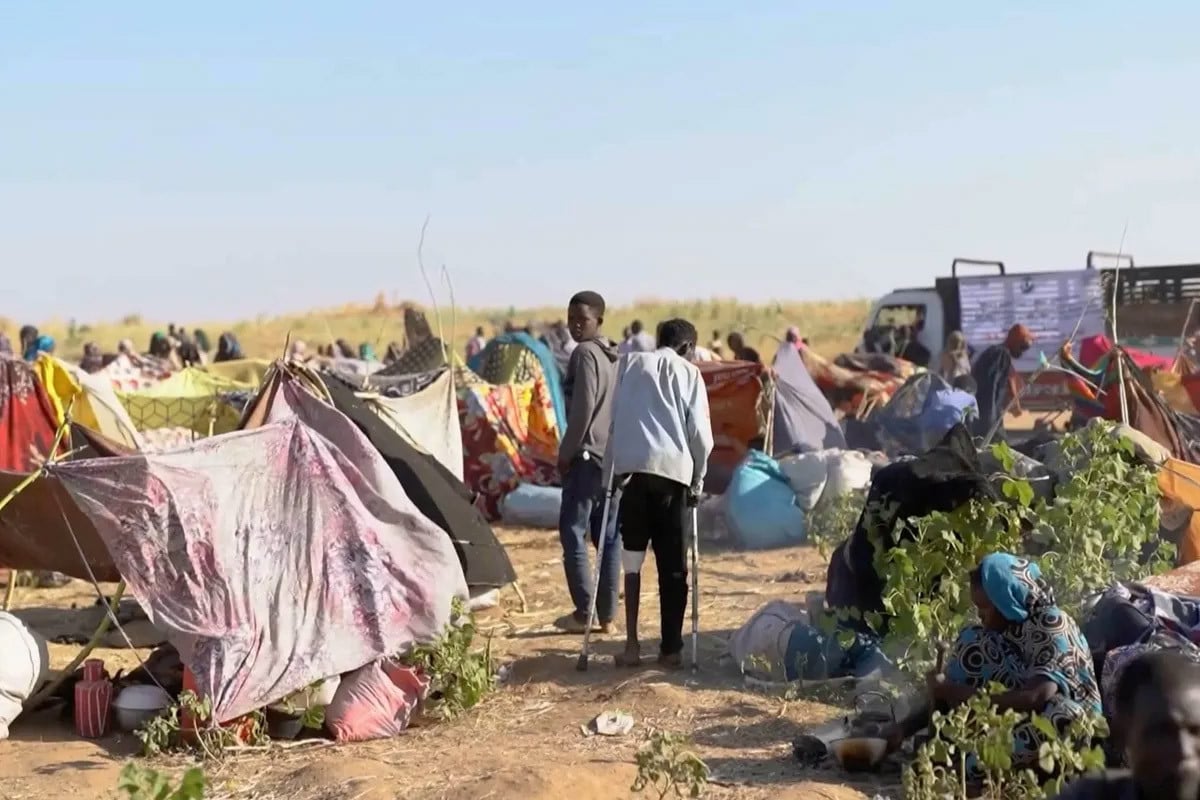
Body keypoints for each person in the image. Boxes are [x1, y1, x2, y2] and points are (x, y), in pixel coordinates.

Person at [889, 552, 1101, 784]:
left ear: (1006, 600)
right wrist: (906, 727)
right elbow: (956, 685)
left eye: (985, 607)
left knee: (1064, 714)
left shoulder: (1052, 624)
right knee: (974, 642)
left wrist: (952, 692)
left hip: (1070, 737)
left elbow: (1035, 697)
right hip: (1025, 717)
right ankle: (947, 746)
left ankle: (969, 769)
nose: (980, 615)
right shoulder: (1017, 624)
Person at [606, 318, 714, 668]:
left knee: (632, 561)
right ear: (687, 347)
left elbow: (617, 417)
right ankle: (671, 649)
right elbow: (699, 434)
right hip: (673, 475)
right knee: (672, 567)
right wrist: (698, 481)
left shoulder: (631, 364)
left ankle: (633, 645)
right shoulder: (688, 372)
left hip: (634, 474)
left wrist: (614, 471)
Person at [555, 291, 621, 634]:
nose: (575, 326)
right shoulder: (615, 356)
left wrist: (565, 454)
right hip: (611, 458)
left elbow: (581, 413)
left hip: (585, 456)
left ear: (599, 321)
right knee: (608, 537)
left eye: (582, 320)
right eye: (571, 319)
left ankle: (585, 611)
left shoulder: (584, 355)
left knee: (574, 532)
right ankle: (608, 614)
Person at [1051, 650, 1200, 800]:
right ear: (1122, 735)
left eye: (1196, 731)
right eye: (1163, 732)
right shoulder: (1094, 794)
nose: (1184, 750)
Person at [970, 323, 1035, 439]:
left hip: (987, 416)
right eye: (1022, 347)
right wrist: (989, 421)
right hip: (986, 418)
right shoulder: (1000, 355)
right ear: (1015, 343)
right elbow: (990, 389)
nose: (1022, 352)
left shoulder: (998, 353)